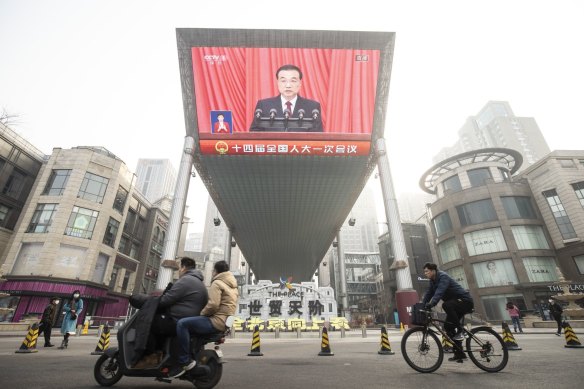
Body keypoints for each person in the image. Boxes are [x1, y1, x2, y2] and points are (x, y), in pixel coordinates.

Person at [133, 257, 208, 369]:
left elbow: (165, 300)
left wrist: (151, 301)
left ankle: (152, 356)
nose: (178, 271)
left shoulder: (186, 280)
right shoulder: (200, 283)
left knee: (151, 323)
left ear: (183, 268)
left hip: (177, 319)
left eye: (179, 268)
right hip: (189, 319)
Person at [171, 260, 239, 378]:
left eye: (213, 270)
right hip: (225, 322)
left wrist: (201, 314)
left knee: (182, 324)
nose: (212, 273)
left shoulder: (217, 283)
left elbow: (213, 305)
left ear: (216, 271)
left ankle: (184, 361)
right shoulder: (233, 286)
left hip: (216, 321)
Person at [421, 262, 474, 362]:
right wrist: (422, 305)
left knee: (446, 305)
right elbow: (429, 294)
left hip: (464, 301)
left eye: (427, 271)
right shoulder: (432, 281)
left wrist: (432, 304)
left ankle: (461, 330)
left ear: (433, 271)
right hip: (455, 306)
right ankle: (459, 354)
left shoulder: (443, 277)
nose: (425, 273)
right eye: (424, 272)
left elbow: (439, 291)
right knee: (448, 327)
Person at [249, 64, 323, 132]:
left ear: (300, 83)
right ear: (278, 83)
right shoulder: (264, 105)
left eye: (293, 81)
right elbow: (254, 133)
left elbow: (317, 135)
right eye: (283, 81)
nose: (288, 85)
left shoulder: (313, 107)